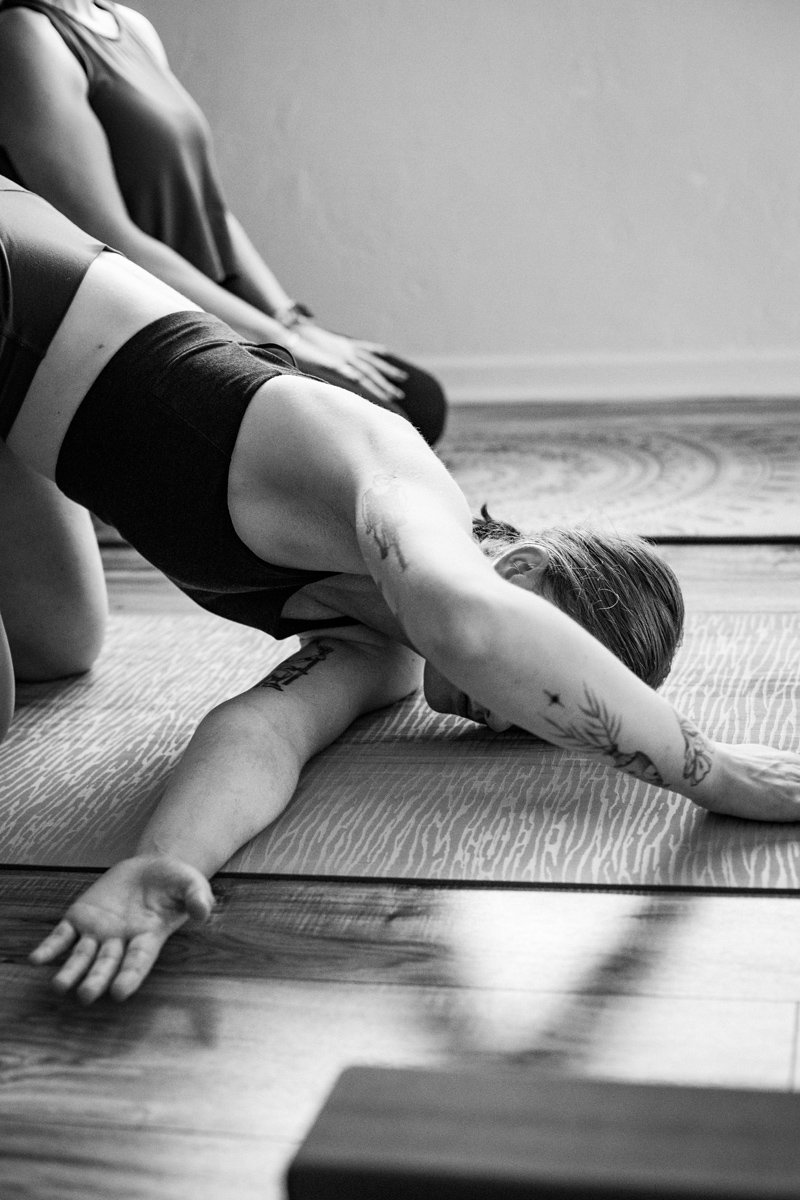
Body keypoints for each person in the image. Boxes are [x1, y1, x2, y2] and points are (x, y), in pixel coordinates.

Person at [2, 180, 799, 1011]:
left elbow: (264, 732)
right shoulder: (400, 480)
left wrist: (169, 860)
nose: (499, 718)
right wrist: (714, 774)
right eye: (533, 690)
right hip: (14, 271)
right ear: (521, 573)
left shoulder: (378, 644)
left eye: (523, 723)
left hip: (17, 390)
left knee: (57, 647)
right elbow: (473, 627)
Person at [0, 0, 447, 444]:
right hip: (137, 319)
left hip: (205, 294)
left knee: (419, 402)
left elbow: (212, 211)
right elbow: (108, 236)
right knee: (380, 428)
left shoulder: (130, 26)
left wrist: (291, 324)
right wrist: (274, 341)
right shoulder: (25, 33)